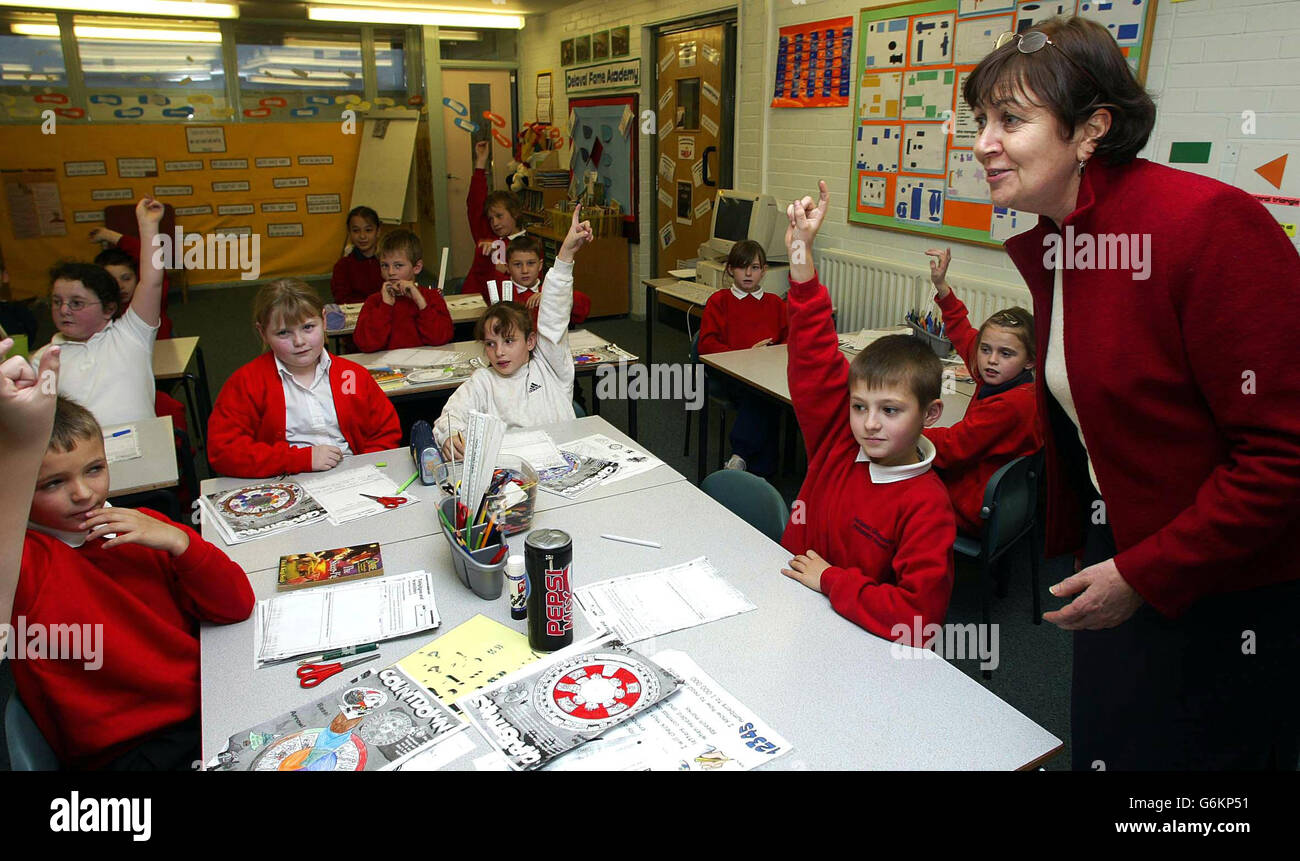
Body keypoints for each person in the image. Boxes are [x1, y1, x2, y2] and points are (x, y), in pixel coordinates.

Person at [968, 15, 1300, 769]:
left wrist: (1145, 571)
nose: (983, 141)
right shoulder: (1070, 235)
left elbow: (1284, 452)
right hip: (1122, 545)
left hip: (1223, 580)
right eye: (980, 119)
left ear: (1092, 130)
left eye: (1010, 120)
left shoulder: (1206, 226)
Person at [0, 344, 254, 768]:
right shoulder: (24, 564)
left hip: (211, 704)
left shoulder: (141, 526)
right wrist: (17, 449)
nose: (82, 493)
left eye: (94, 469)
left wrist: (181, 542)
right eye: (53, 483)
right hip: (139, 748)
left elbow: (236, 605)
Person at [779, 181, 956, 641]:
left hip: (861, 643)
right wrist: (800, 253)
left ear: (930, 415)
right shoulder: (841, 438)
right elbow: (814, 354)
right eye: (859, 406)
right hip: (796, 610)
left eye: (891, 410)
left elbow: (919, 621)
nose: (870, 423)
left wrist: (831, 581)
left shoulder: (927, 505)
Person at [434, 207, 592, 458]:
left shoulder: (550, 368)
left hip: (561, 458)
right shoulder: (483, 381)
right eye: (490, 344)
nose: (499, 352)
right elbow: (451, 415)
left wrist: (566, 254)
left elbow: (554, 315)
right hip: (512, 469)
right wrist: (450, 435)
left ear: (531, 341)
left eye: (509, 341)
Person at [207, 279, 400, 478]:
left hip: (354, 476)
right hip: (283, 483)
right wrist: (300, 459)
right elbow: (223, 451)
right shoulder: (247, 382)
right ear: (262, 333)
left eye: (308, 327)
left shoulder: (352, 374)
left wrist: (364, 467)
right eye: (283, 333)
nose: (299, 341)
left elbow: (385, 430)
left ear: (324, 320)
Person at [920, 247, 1042, 535]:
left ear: (1030, 360)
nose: (991, 359)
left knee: (896, 477)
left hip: (973, 502)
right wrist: (942, 288)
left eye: (1005, 353)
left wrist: (905, 431)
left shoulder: (1012, 404)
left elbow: (951, 448)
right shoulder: (1005, 377)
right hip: (1003, 497)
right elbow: (963, 333)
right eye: (986, 350)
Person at [31, 198, 167, 429]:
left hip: (139, 449)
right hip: (82, 457)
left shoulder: (131, 335)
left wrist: (148, 226)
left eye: (77, 303)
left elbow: (152, 281)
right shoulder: (43, 359)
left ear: (108, 309)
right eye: (57, 302)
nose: (64, 310)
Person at [697, 239, 788, 476]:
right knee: (762, 396)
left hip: (767, 373)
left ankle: (742, 462)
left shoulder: (776, 304)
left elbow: (790, 342)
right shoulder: (720, 301)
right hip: (731, 375)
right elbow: (706, 345)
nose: (748, 274)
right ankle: (754, 467)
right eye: (741, 267)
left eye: (755, 268)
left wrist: (771, 353)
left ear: (764, 271)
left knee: (769, 395)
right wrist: (747, 354)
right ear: (730, 269)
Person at [352, 228, 453, 352]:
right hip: (387, 367)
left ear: (417, 267)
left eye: (398, 265)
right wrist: (385, 306)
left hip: (424, 366)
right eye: (385, 265)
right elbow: (366, 344)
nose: (390, 272)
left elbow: (440, 338)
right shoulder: (374, 301)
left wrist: (421, 303)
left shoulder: (431, 297)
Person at [461, 140, 527, 301]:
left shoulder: (528, 246)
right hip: (475, 300)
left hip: (505, 306)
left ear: (515, 213)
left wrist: (509, 269)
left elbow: (531, 280)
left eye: (499, 216)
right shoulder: (488, 236)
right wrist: (480, 163)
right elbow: (475, 205)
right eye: (491, 219)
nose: (495, 223)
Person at [89, 235, 174, 339]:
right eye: (112, 281)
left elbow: (150, 257)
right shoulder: (99, 308)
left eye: (126, 278)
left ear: (137, 278)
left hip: (159, 349)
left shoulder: (150, 299)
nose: (120, 286)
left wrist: (108, 234)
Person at [502, 233, 592, 327]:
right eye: (517, 264)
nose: (525, 270)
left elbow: (584, 308)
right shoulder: (504, 293)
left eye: (531, 263)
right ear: (507, 267)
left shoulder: (548, 288)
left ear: (540, 265)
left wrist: (550, 295)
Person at [330, 205, 383, 304]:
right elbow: (341, 298)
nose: (362, 236)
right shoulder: (342, 266)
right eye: (356, 231)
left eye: (368, 230)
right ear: (349, 232)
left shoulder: (388, 263)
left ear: (378, 231)